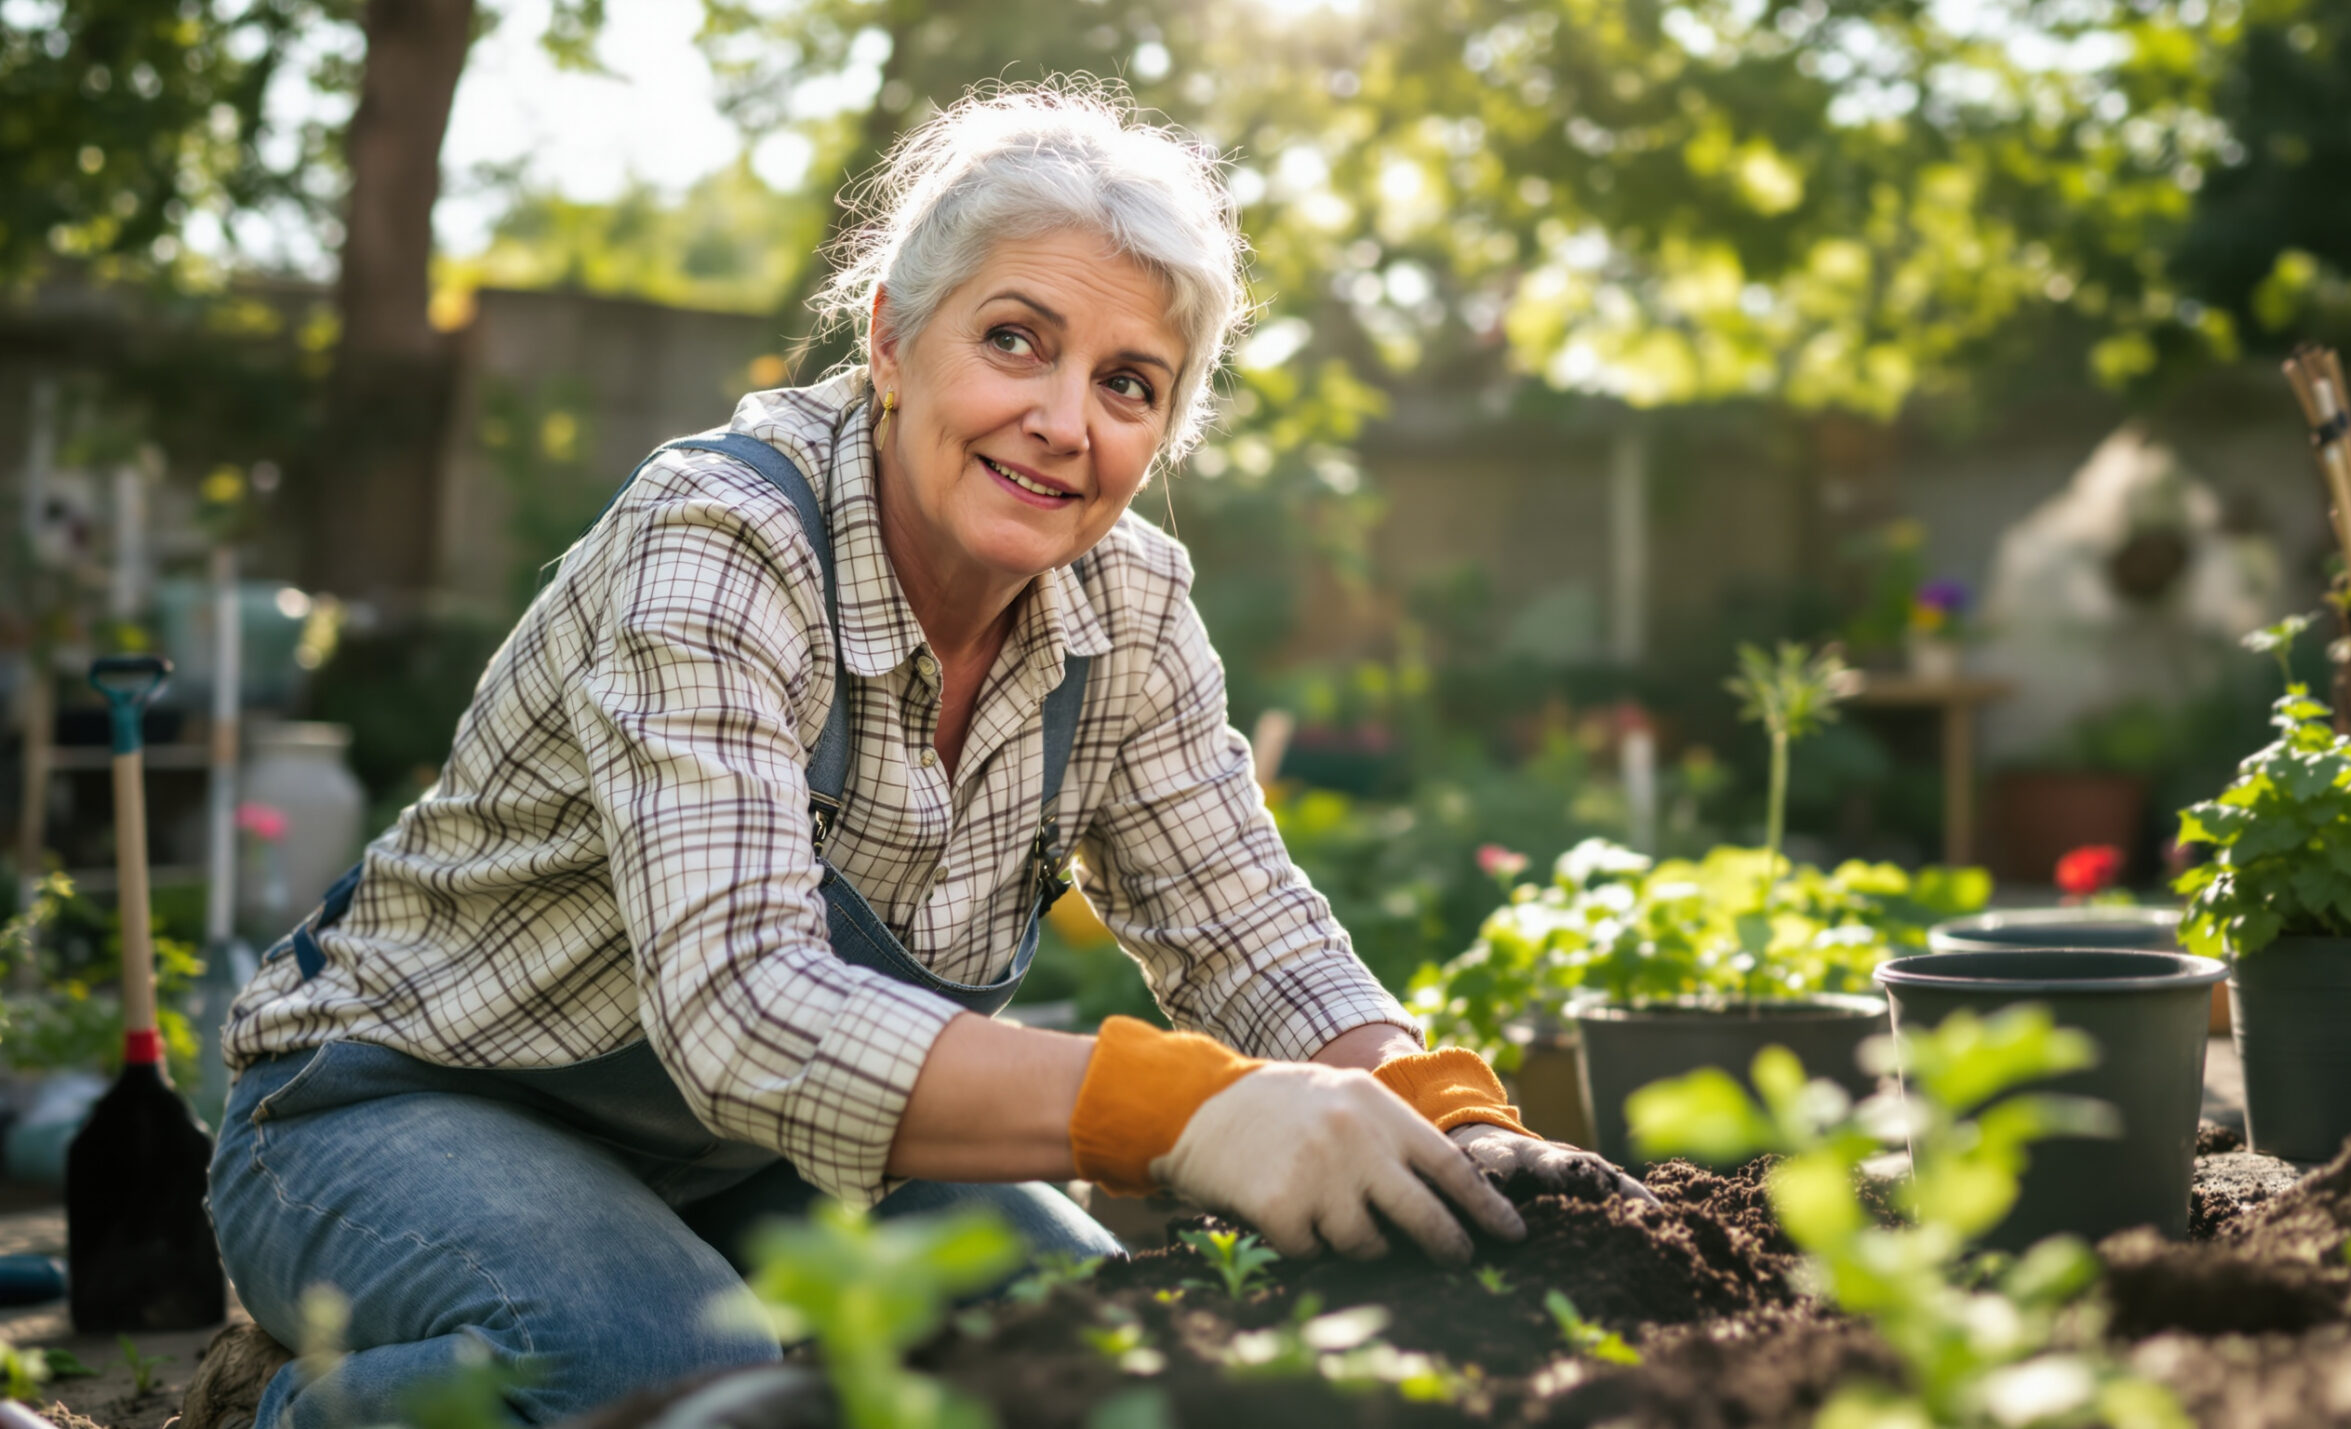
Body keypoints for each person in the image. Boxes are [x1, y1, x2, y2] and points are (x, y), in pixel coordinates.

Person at [199, 85, 1646, 1429]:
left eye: (1130, 383)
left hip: (752, 1156)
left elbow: (1247, 921)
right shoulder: (719, 539)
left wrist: (1439, 1105)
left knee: (1089, 1345)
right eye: (1015, 338)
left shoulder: (1124, 605)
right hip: (396, 1102)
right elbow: (746, 1010)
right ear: (892, 342)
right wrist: (1189, 1109)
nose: (1064, 420)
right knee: (656, 1371)